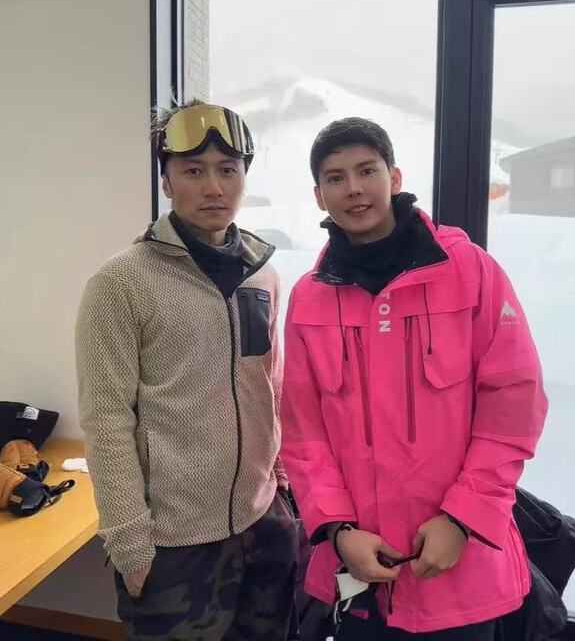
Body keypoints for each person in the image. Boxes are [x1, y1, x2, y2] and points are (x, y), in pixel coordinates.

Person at [281, 117, 548, 640]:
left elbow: (513, 407)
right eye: (335, 178)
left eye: (367, 171)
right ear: (318, 196)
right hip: (361, 572)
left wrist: (463, 519)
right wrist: (338, 531)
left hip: (458, 567)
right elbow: (303, 433)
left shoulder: (470, 271)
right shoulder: (309, 298)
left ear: (395, 177)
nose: (353, 188)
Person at [76, 100, 297, 640]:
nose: (213, 187)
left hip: (264, 522)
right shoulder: (121, 283)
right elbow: (106, 420)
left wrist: (282, 487)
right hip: (173, 543)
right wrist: (130, 542)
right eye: (194, 171)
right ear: (167, 181)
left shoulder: (263, 276)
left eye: (228, 170)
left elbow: (271, 388)